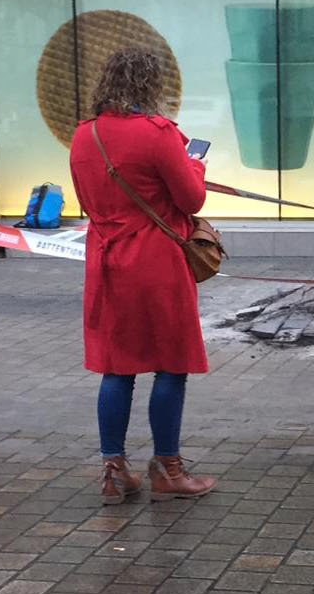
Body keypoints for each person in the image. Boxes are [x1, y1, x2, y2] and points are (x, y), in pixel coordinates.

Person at [67, 48, 216, 504]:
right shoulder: (158, 133)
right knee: (171, 364)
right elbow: (191, 199)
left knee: (117, 367)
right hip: (155, 261)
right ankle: (168, 469)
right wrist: (195, 163)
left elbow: (90, 199)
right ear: (151, 84)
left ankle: (113, 471)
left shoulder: (85, 134)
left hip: (105, 261)